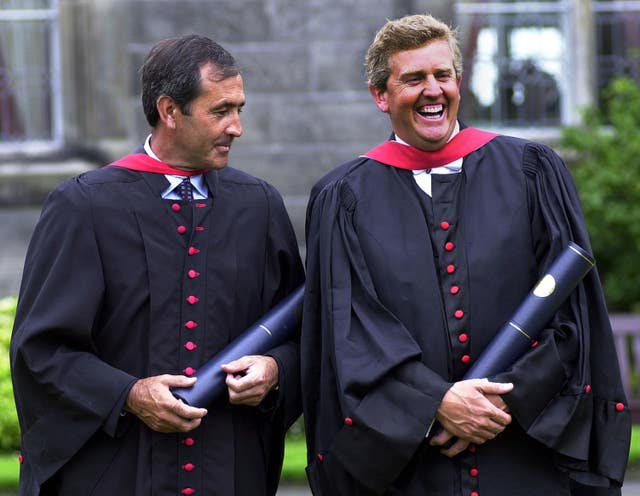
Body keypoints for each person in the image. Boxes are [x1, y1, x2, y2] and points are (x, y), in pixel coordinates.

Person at [300, 14, 630, 496]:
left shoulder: (532, 173)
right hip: (411, 464)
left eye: (444, 75)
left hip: (522, 450)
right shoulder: (343, 198)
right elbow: (348, 328)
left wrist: (500, 402)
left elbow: (572, 316)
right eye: (414, 79)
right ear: (381, 95)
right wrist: (435, 401)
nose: (433, 90)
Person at [10, 34, 304, 495]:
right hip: (117, 472)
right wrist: (127, 394)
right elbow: (41, 352)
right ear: (170, 111)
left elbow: (302, 329)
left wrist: (277, 370)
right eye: (220, 111)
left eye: (239, 109)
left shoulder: (259, 206)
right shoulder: (84, 205)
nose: (237, 127)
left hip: (229, 470)